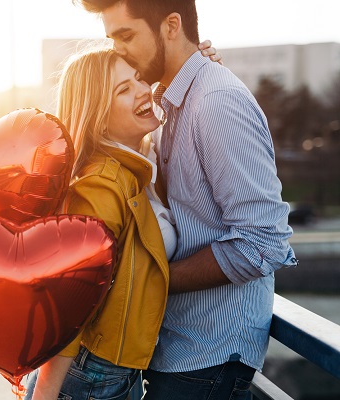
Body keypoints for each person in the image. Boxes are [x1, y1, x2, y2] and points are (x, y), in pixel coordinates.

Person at [72, 1, 298, 399]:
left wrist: (148, 282)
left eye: (127, 36)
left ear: (171, 25)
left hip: (207, 355)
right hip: (175, 348)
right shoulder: (170, 102)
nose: (120, 51)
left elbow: (264, 242)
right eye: (113, 39)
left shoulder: (216, 102)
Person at [24, 40, 220, 400]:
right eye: (124, 89)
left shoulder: (134, 168)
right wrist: (45, 395)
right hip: (89, 376)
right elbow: (68, 303)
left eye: (139, 79)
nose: (144, 91)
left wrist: (197, 71)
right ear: (98, 114)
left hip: (110, 373)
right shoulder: (100, 186)